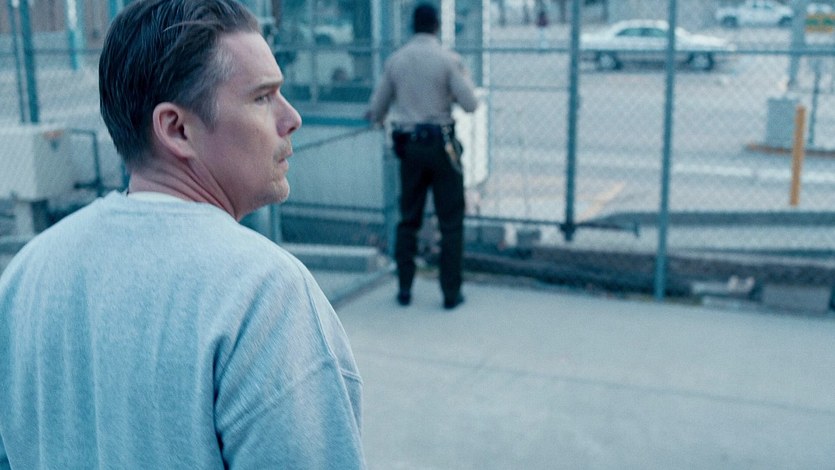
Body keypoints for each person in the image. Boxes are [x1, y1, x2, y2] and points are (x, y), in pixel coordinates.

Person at [0, 1, 366, 468]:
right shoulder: (263, 293)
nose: (291, 117)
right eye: (262, 97)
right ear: (177, 129)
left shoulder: (27, 275)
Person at [365, 2, 479, 310]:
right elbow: (470, 104)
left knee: (409, 220)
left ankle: (404, 288)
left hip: (410, 148)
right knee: (451, 222)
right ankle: (451, 293)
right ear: (437, 26)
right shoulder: (448, 60)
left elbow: (376, 109)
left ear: (412, 26)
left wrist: (382, 115)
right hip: (442, 145)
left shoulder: (396, 60)